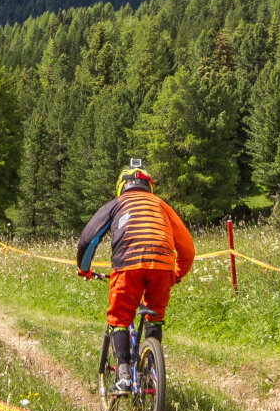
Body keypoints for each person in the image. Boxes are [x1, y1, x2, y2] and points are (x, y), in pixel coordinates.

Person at [76, 161, 195, 393]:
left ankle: (123, 376)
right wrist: (175, 274)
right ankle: (151, 370)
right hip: (162, 265)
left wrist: (83, 268)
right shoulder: (162, 205)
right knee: (154, 315)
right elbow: (188, 249)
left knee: (119, 317)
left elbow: (89, 238)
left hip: (128, 264)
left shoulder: (117, 203)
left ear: (121, 186)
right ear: (148, 186)